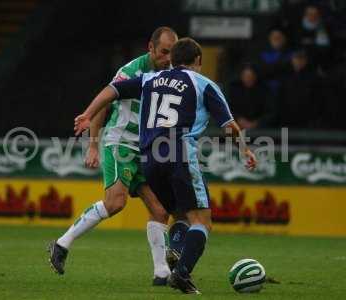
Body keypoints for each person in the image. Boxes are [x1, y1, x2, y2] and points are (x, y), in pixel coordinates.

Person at [74, 38, 257, 294]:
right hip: (178, 154)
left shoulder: (152, 79)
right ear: (198, 61)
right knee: (202, 222)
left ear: (172, 59)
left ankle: (177, 249)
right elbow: (230, 126)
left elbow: (113, 90)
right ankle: (181, 274)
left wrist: (87, 112)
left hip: (148, 159)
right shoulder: (203, 84)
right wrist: (245, 150)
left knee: (179, 214)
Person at [48, 27, 179, 286]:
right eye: (163, 52)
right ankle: (62, 244)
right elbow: (105, 102)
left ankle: (162, 273)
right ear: (150, 48)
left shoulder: (172, 74)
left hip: (146, 149)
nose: (168, 59)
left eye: (172, 53)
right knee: (116, 202)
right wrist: (93, 146)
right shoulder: (130, 72)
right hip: (119, 144)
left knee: (160, 210)